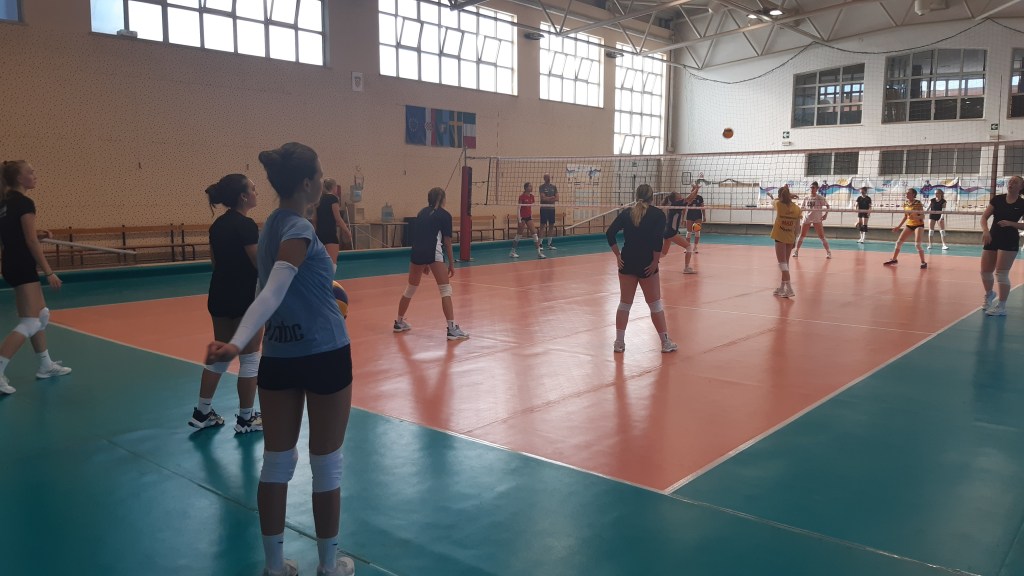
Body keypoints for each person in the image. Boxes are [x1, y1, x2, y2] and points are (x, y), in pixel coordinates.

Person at [205, 143, 356, 576]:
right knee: (326, 464)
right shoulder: (299, 229)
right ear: (307, 183)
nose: (324, 182)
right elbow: (272, 291)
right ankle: (328, 566)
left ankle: (275, 567)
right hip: (325, 353)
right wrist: (237, 343)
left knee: (276, 461)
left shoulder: (269, 225)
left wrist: (246, 339)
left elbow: (262, 290)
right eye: (320, 175)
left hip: (280, 356)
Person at [189, 174, 263, 433]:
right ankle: (246, 418)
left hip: (219, 294)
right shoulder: (247, 225)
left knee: (220, 353)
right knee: (250, 358)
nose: (256, 192)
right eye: (253, 189)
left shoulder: (217, 225)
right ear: (243, 196)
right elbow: (259, 264)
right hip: (244, 297)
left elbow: (215, 263)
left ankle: (202, 411)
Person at [0, 160, 72, 395]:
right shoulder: (25, 203)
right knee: (30, 322)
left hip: (11, 263)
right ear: (19, 178)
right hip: (22, 265)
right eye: (30, 172)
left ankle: (45, 365)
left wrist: (37, 233)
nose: (35, 175)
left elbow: (15, 235)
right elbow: (30, 241)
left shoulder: (5, 203)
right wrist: (49, 271)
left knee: (39, 315)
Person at [606, 184, 677, 353]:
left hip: (627, 261)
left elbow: (610, 233)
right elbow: (657, 240)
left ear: (636, 195)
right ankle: (665, 343)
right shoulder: (658, 214)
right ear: (652, 197)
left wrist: (618, 255)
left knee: (624, 304)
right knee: (655, 305)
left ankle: (619, 343)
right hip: (647, 264)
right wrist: (655, 261)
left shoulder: (626, 213)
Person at [393, 187, 470, 340]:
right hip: (433, 253)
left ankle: (399, 322)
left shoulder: (421, 212)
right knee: (445, 290)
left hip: (416, 252)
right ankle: (451, 329)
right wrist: (451, 264)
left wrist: (425, 263)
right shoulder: (445, 215)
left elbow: (421, 236)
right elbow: (447, 242)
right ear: (442, 199)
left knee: (410, 288)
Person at [980, 175, 1024, 316]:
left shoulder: (1022, 203)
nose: (1011, 183)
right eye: (1010, 181)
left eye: (1015, 182)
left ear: (1021, 187)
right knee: (985, 271)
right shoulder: (997, 199)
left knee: (1001, 273)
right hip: (992, 237)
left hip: (1009, 239)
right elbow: (984, 217)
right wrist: (985, 231)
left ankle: (1002, 306)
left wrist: (1011, 223)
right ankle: (989, 294)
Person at [767, 186, 802, 298]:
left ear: (780, 196)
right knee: (785, 264)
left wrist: (784, 196)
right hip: (790, 237)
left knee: (782, 264)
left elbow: (773, 200)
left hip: (780, 236)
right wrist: (795, 239)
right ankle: (782, 288)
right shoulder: (797, 209)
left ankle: (789, 288)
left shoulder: (778, 205)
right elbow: (798, 227)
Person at [884, 188, 928, 269]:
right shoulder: (905, 203)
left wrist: (915, 217)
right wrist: (898, 227)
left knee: (917, 245)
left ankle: (923, 262)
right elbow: (905, 216)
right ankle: (894, 259)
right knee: (898, 242)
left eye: (908, 193)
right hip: (909, 225)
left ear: (913, 194)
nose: (906, 194)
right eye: (906, 193)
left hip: (919, 224)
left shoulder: (918, 203)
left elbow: (923, 216)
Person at [313, 178, 353, 265]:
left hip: (319, 234)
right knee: (331, 264)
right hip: (330, 234)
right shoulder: (333, 198)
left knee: (321, 263)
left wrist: (314, 234)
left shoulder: (319, 199)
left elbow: (314, 219)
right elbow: (338, 218)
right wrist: (347, 231)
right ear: (334, 187)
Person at [662, 185, 698, 274]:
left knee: (663, 253)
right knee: (688, 247)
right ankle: (686, 268)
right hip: (671, 232)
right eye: (678, 194)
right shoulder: (676, 204)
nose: (680, 195)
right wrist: (696, 189)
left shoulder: (677, 204)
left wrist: (695, 190)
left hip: (668, 231)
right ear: (676, 198)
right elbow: (688, 198)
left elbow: (690, 199)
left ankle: (648, 261)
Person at [793, 181, 831, 259]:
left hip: (817, 219)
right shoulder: (806, 198)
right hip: (807, 219)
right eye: (811, 187)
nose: (811, 189)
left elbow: (828, 206)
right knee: (802, 235)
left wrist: (825, 215)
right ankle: (796, 251)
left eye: (813, 187)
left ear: (817, 189)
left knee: (821, 236)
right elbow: (802, 208)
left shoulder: (820, 198)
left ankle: (828, 252)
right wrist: (800, 215)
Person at [510, 182, 545, 259]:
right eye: (530, 186)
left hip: (529, 217)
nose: (531, 187)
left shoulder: (532, 197)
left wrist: (531, 216)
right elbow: (518, 209)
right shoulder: (522, 197)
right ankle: (512, 252)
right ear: (526, 188)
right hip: (522, 218)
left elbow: (529, 208)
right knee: (519, 235)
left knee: (534, 233)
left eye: (531, 186)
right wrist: (519, 220)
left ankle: (539, 253)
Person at [538, 174, 559, 250]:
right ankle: (540, 244)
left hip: (552, 209)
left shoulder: (554, 187)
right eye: (547, 177)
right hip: (544, 208)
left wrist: (550, 198)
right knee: (542, 226)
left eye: (549, 176)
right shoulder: (541, 187)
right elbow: (543, 198)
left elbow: (557, 198)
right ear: (544, 178)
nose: (549, 178)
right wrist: (552, 198)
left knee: (551, 226)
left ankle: (549, 244)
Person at [683, 185, 705, 253]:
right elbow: (684, 208)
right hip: (690, 216)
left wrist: (704, 216)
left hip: (698, 216)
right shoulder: (689, 198)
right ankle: (687, 247)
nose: (693, 190)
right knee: (688, 232)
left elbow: (702, 207)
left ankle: (695, 247)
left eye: (694, 189)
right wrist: (683, 218)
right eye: (692, 188)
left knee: (697, 232)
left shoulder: (700, 198)